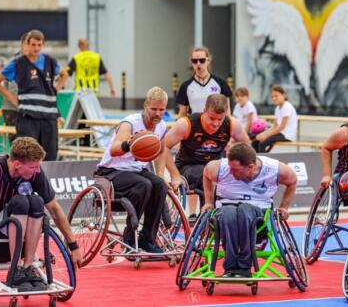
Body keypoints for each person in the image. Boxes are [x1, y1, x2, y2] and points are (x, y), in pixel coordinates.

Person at [0, 137, 82, 291]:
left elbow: (55, 209)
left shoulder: (33, 172)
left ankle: (27, 267)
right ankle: (15, 269)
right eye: (34, 167)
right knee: (21, 202)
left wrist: (74, 246)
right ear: (17, 164)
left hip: (18, 239)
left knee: (37, 202)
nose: (38, 171)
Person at [95, 87, 180, 253]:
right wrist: (129, 144)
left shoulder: (161, 126)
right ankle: (129, 234)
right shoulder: (130, 123)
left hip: (135, 170)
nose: (158, 113)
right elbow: (114, 149)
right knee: (144, 185)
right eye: (153, 109)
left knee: (159, 185)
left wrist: (161, 175)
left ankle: (148, 238)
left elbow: (162, 150)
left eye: (162, 109)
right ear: (145, 105)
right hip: (111, 171)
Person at [202, 142, 297, 278]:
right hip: (226, 209)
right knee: (228, 212)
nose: (230, 172)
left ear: (250, 167)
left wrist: (284, 207)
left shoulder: (274, 169)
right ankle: (231, 268)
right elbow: (206, 172)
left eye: (235, 170)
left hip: (259, 213)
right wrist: (208, 202)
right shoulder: (220, 168)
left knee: (245, 210)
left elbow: (292, 181)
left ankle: (243, 267)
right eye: (230, 167)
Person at [157, 94, 251, 220]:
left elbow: (247, 147)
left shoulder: (233, 125)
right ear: (204, 110)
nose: (216, 123)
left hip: (216, 169)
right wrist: (174, 175)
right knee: (207, 174)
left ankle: (232, 219)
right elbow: (163, 147)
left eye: (220, 119)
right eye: (212, 118)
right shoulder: (186, 124)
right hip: (187, 167)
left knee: (230, 177)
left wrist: (235, 152)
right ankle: (207, 218)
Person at [0, 30, 68, 161]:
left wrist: (56, 90)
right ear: (27, 44)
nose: (36, 48)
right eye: (33, 44)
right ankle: (24, 181)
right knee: (26, 155)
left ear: (43, 45)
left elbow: (64, 74)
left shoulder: (50, 61)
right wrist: (13, 99)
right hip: (28, 117)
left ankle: (45, 181)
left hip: (49, 117)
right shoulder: (18, 63)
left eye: (39, 45)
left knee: (50, 156)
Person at [176, 47, 232, 117]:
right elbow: (182, 114)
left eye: (202, 60)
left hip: (216, 126)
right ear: (192, 63)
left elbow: (227, 113)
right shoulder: (185, 86)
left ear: (208, 61)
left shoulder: (221, 84)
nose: (198, 63)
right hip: (194, 126)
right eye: (195, 61)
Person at [252, 85, 297, 153]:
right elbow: (275, 126)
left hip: (287, 135)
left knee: (262, 144)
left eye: (276, 96)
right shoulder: (277, 108)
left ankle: (264, 162)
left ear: (283, 95)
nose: (274, 98)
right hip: (280, 133)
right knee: (255, 142)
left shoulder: (287, 107)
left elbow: (281, 127)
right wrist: (263, 134)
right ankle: (259, 159)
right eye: (272, 97)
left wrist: (266, 135)